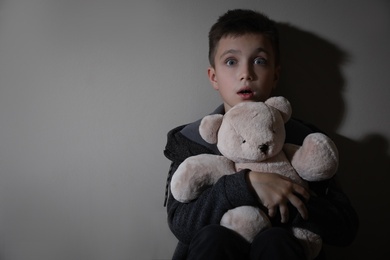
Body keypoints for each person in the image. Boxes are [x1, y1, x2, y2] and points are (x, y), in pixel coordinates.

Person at [163, 9, 358, 260]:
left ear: (275, 75)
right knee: (214, 237)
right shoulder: (192, 140)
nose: (247, 74)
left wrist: (288, 195)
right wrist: (247, 185)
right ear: (214, 77)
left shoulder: (305, 140)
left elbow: (345, 228)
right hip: (213, 249)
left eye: (259, 61)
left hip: (283, 249)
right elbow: (180, 223)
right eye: (231, 61)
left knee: (275, 240)